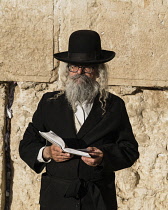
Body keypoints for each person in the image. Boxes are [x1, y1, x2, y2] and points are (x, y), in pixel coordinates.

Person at [19, 30, 139, 210]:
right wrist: (47, 153)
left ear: (98, 71)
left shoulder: (114, 105)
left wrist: (103, 157)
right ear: (67, 70)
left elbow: (129, 150)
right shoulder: (49, 103)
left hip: (97, 198)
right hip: (56, 199)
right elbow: (27, 144)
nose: (79, 73)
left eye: (87, 68)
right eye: (74, 67)